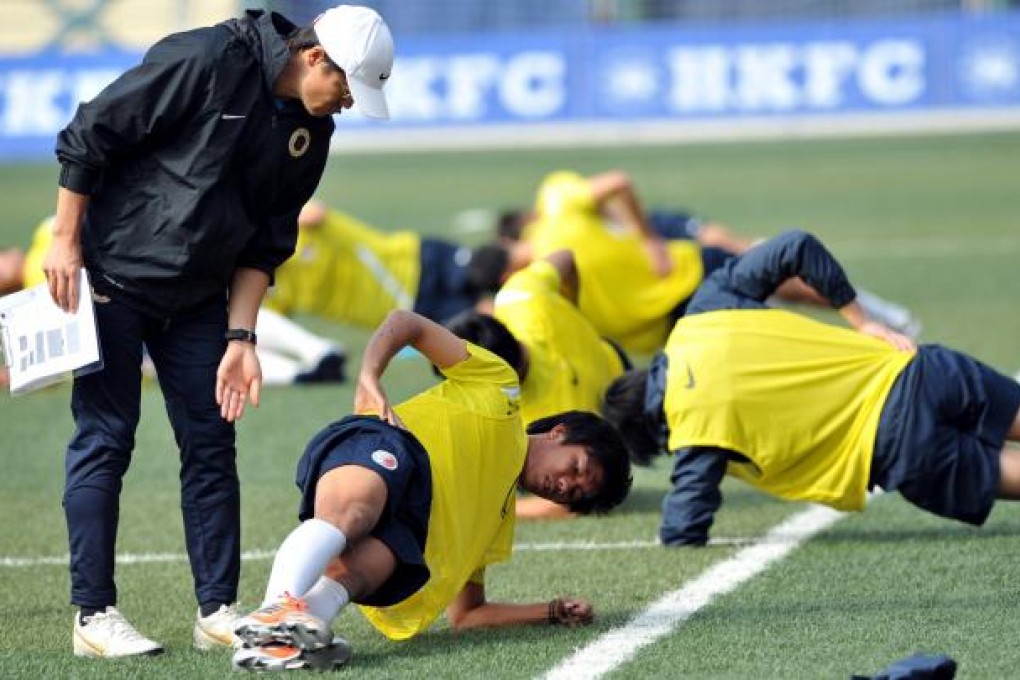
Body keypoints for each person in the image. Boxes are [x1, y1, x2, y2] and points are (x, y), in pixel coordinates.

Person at [43, 5, 394, 658]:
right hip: (109, 279)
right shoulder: (207, 59)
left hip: (200, 299)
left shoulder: (311, 132)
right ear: (316, 57)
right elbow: (92, 131)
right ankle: (94, 616)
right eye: (347, 87)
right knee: (106, 440)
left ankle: (217, 610)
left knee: (211, 444)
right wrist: (65, 241)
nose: (347, 104)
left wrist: (242, 340)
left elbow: (266, 245)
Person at [229, 309, 632, 671]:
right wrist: (370, 374)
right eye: (578, 468)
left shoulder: (498, 520)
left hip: (408, 515)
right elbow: (408, 324)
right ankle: (276, 608)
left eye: (575, 493)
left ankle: (280, 639)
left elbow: (468, 614)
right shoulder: (502, 387)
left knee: (376, 565)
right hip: (387, 445)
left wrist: (550, 611)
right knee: (353, 516)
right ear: (559, 433)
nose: (565, 485)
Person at [601, 230, 1020, 547]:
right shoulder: (702, 315)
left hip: (898, 448)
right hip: (916, 369)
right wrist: (862, 320)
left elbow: (685, 526)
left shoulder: (692, 431)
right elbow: (795, 245)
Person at [485, 169, 919, 353]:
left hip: (685, 267)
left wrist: (650, 240)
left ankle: (875, 316)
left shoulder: (557, 202)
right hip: (673, 322)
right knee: (768, 337)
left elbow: (617, 183)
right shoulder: (538, 286)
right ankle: (871, 335)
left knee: (791, 284)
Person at [444, 250, 632, 519]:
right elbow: (566, 257)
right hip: (615, 360)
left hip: (622, 425)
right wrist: (571, 308)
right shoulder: (520, 299)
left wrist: (491, 510)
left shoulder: (514, 418)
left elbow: (565, 505)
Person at [263, 200, 493, 330]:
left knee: (499, 269)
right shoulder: (265, 292)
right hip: (412, 307)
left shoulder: (288, 227)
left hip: (415, 257)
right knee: (489, 316)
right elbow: (275, 328)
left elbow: (314, 212)